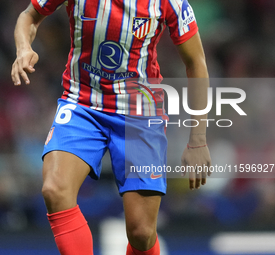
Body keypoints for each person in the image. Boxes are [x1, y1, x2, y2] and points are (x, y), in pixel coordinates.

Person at [11, 0, 212, 254]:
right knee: (54, 189)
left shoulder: (169, 3)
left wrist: (198, 139)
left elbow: (196, 63)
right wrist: (23, 49)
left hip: (139, 114)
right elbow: (29, 16)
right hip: (82, 103)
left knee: (141, 232)